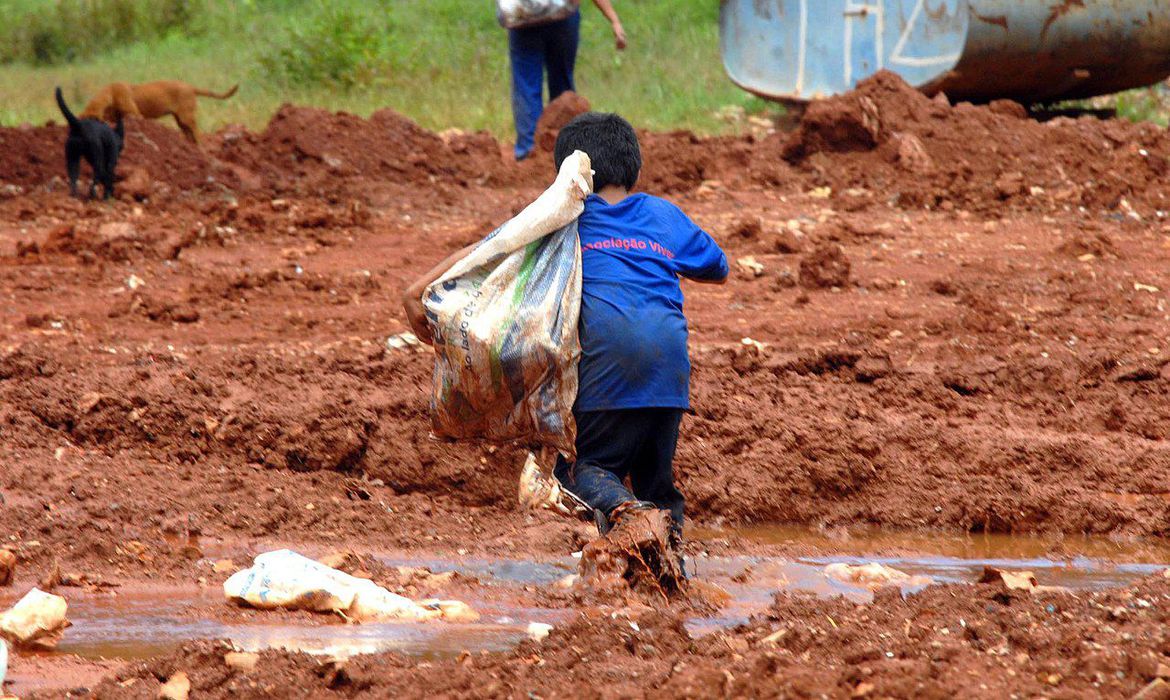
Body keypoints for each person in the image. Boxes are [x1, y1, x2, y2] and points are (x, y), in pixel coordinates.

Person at [402, 113, 728, 574]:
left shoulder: (565, 219)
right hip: (669, 376)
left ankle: (631, 518)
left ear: (568, 176)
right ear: (633, 168)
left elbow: (493, 249)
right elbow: (716, 265)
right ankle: (667, 571)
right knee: (658, 484)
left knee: (582, 473)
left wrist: (419, 288)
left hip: (605, 372)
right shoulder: (662, 216)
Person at [506, 0, 626, 161]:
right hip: (562, 17)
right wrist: (614, 20)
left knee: (526, 87)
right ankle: (566, 153)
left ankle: (529, 153)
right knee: (562, 87)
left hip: (524, 16)